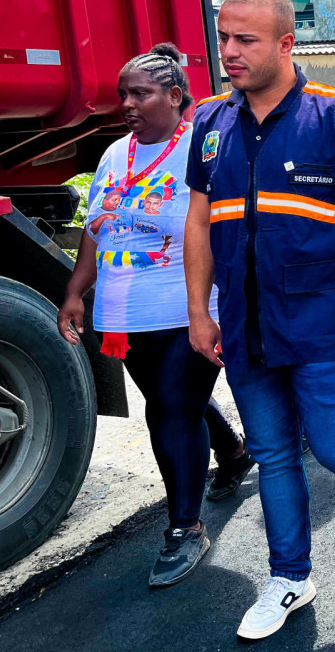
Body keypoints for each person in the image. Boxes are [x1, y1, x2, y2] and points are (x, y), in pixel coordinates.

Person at [183, 0, 335, 640]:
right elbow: (198, 223)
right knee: (274, 453)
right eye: (223, 37)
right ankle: (289, 576)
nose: (229, 51)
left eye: (245, 39)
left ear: (286, 43)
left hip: (322, 320)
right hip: (245, 324)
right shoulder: (209, 122)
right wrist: (199, 311)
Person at [57, 43, 254, 589]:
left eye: (140, 93)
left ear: (174, 95)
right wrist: (75, 292)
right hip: (124, 315)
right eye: (123, 94)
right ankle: (232, 452)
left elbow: (227, 226)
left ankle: (185, 527)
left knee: (169, 410)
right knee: (173, 402)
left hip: (188, 309)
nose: (127, 104)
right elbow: (96, 230)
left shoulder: (202, 148)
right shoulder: (113, 154)